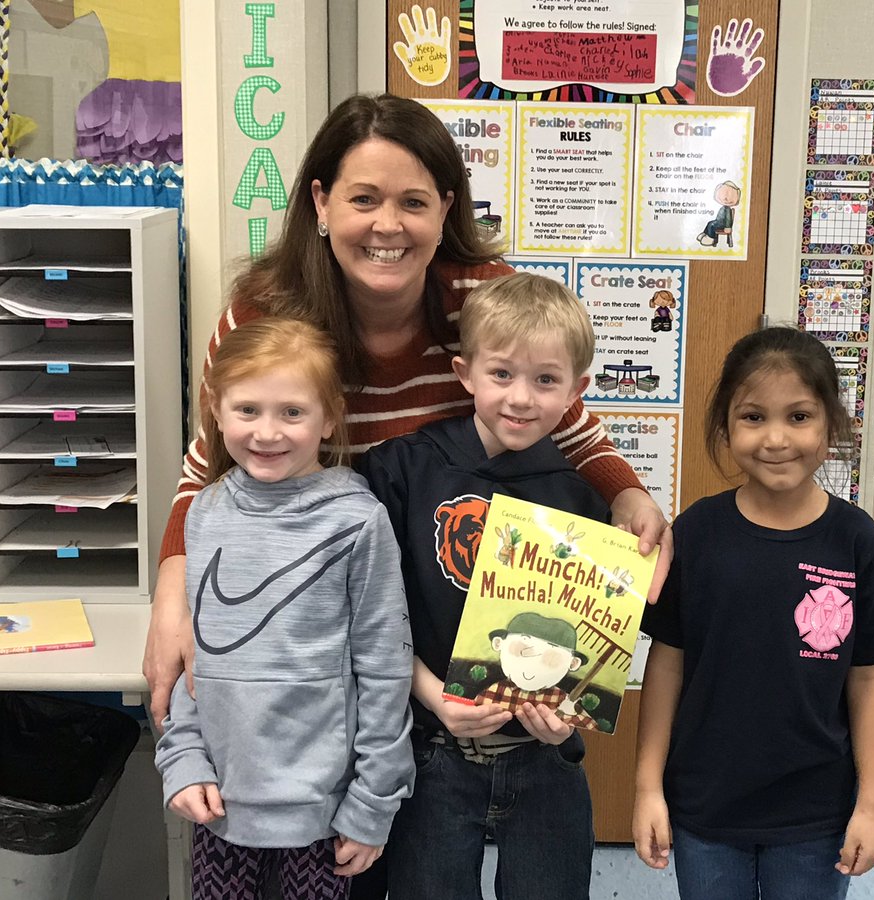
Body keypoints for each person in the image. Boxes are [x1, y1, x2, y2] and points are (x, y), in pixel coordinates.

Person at [143, 91, 670, 728]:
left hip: (450, 611)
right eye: (363, 199)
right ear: (321, 203)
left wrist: (630, 494)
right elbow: (206, 471)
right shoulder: (263, 318)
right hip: (312, 605)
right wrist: (171, 601)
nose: (387, 226)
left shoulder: (484, 297)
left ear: (445, 210)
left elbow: (571, 425)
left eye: (413, 202)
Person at [632, 326, 874, 900]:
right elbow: (666, 664)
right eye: (753, 417)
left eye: (800, 416)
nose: (777, 438)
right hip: (706, 803)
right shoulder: (698, 533)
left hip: (815, 809)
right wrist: (646, 788)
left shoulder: (857, 541)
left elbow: (870, 678)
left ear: (831, 424)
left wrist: (873, 804)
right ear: (726, 426)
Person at [358, 272, 610, 900]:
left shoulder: (581, 501)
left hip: (544, 757)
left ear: (577, 390)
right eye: (502, 375)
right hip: (432, 747)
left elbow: (588, 642)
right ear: (464, 373)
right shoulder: (403, 470)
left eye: (546, 380)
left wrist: (566, 716)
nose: (521, 398)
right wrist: (433, 696)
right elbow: (369, 619)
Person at [154, 318, 414, 899]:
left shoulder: (358, 520)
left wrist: (374, 800)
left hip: (323, 817)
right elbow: (195, 660)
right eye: (247, 410)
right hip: (219, 803)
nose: (267, 433)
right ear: (216, 411)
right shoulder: (205, 513)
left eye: (292, 413)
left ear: (328, 417)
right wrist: (184, 759)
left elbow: (384, 667)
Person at [697, 180, 741, 246]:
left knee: (712, 225)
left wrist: (728, 227)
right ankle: (705, 234)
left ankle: (710, 238)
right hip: (719, 222)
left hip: (722, 224)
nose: (725, 198)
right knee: (710, 223)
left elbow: (728, 219)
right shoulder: (723, 207)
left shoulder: (727, 209)